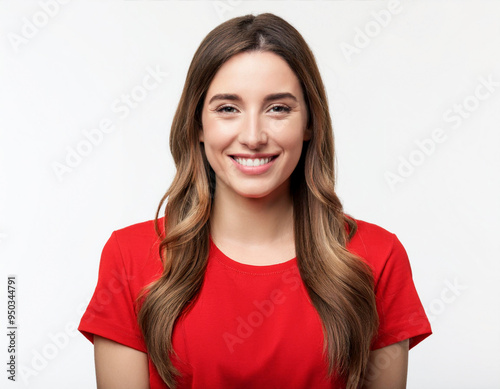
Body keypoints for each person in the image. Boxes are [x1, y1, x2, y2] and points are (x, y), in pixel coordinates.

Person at [78, 12, 432, 389]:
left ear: (310, 123)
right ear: (197, 124)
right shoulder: (130, 257)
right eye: (228, 108)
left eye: (278, 108)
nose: (253, 136)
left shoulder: (378, 257)